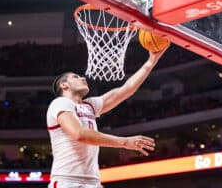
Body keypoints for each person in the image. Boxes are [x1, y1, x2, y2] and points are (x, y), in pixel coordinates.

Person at [47, 48, 167, 188]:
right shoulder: (60, 103)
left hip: (93, 182)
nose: (83, 78)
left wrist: (151, 61)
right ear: (64, 85)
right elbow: (79, 134)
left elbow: (126, 89)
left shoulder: (89, 106)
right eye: (76, 77)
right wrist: (125, 142)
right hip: (68, 181)